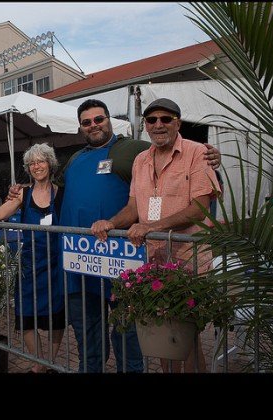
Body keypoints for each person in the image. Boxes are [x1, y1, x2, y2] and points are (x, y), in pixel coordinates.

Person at [9, 99, 221, 373]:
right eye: (87, 122)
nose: (94, 125)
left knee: (159, 335)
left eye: (99, 119)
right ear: (80, 127)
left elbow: (176, 155)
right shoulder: (80, 158)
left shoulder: (134, 148)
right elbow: (52, 188)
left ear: (110, 120)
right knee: (93, 334)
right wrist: (23, 190)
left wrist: (213, 156)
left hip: (128, 261)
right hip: (84, 263)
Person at [91, 98, 221, 373]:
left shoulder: (197, 153)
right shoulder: (140, 160)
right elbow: (133, 208)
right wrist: (110, 222)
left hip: (188, 261)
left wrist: (153, 226)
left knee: (186, 336)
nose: (158, 125)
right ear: (146, 126)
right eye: (152, 120)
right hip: (153, 262)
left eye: (166, 119)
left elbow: (200, 209)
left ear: (178, 123)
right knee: (162, 335)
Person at [0, 143, 65, 373]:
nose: (37, 166)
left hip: (56, 265)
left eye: (41, 161)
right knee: (26, 316)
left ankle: (49, 361)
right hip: (29, 265)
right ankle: (40, 364)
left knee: (57, 318)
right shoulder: (22, 193)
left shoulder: (61, 193)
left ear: (50, 163)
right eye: (32, 163)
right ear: (28, 168)